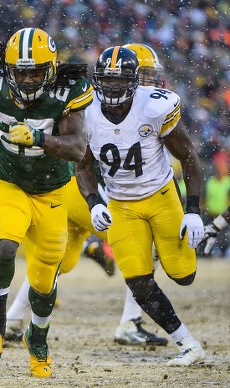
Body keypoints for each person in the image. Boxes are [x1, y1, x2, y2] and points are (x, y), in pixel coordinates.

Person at [0, 27, 93, 378]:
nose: (27, 79)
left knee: (44, 280)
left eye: (36, 71)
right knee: (5, 245)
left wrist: (40, 136)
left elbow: (77, 147)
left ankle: (37, 336)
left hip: (53, 190)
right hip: (9, 181)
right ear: (8, 68)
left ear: (52, 68)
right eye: (20, 71)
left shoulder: (69, 91)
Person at [4, 43, 171, 347]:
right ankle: (130, 323)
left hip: (63, 188)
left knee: (55, 262)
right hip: (85, 191)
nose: (150, 81)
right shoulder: (113, 107)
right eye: (145, 74)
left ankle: (13, 320)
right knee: (146, 246)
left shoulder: (90, 97)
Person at [76, 46, 205, 367]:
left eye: (120, 82)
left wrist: (192, 209)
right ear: (97, 80)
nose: (113, 88)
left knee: (183, 275)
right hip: (121, 205)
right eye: (107, 80)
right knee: (139, 283)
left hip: (162, 197)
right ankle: (188, 344)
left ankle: (165, 250)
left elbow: (188, 156)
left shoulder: (154, 106)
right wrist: (93, 203)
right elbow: (82, 166)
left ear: (135, 82)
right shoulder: (85, 111)